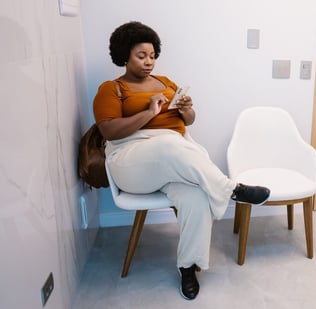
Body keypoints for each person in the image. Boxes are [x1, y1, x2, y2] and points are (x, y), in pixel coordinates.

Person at [93, 21, 270, 301]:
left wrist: (187, 110)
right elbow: (109, 131)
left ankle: (188, 267)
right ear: (124, 55)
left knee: (197, 195)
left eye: (152, 55)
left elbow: (188, 121)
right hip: (131, 160)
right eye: (141, 56)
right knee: (168, 145)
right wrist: (149, 113)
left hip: (175, 154)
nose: (149, 61)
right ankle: (231, 190)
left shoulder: (166, 83)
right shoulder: (111, 89)